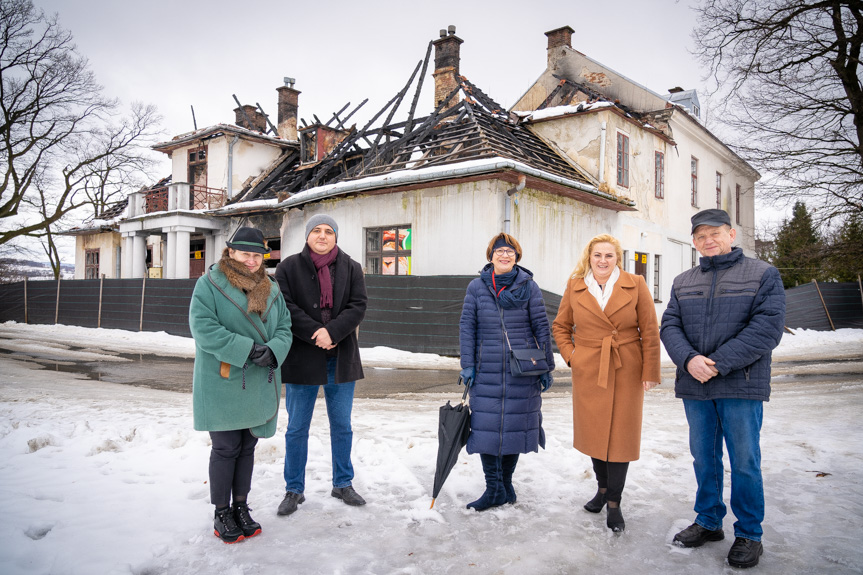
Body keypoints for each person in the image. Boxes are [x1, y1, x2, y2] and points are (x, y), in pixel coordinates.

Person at [661, 209, 785, 568]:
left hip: (740, 384)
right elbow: (670, 325)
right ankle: (709, 521)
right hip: (696, 386)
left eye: (715, 233)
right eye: (700, 236)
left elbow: (766, 329)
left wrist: (715, 363)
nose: (708, 240)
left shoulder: (763, 274)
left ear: (732, 234)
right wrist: (688, 360)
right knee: (704, 457)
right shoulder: (684, 280)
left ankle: (749, 532)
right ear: (695, 242)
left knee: (744, 461)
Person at [189, 227, 293, 543]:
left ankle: (241, 506)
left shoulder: (270, 287)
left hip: (259, 378)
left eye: (257, 255)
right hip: (224, 379)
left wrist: (273, 350)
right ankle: (222, 512)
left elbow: (286, 327)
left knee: (248, 447)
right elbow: (203, 328)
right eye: (245, 254)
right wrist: (246, 349)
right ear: (230, 252)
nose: (251, 260)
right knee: (226, 448)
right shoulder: (208, 286)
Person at [551, 234, 661, 532]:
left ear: (617, 259)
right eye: (597, 255)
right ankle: (601, 489)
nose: (602, 260)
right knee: (595, 433)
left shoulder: (635, 284)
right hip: (589, 367)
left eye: (609, 256)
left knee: (620, 437)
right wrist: (572, 356)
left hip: (626, 365)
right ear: (589, 257)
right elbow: (560, 326)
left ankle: (614, 502)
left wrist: (650, 370)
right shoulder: (575, 285)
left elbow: (650, 329)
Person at [274, 214, 368, 516]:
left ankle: (343, 483)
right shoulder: (287, 268)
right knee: (296, 427)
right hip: (303, 357)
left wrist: (334, 332)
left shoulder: (352, 268)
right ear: (307, 236)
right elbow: (285, 307)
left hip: (341, 359)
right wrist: (317, 334)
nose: (323, 235)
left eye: (329, 231)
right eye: (317, 230)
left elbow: (358, 305)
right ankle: (294, 489)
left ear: (336, 237)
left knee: (342, 426)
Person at [458, 232, 555, 511]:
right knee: (487, 430)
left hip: (522, 370)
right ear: (491, 256)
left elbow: (541, 327)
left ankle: (505, 484)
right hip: (486, 368)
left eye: (510, 252)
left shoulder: (530, 288)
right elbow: (467, 326)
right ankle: (494, 489)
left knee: (514, 427)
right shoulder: (476, 287)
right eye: (499, 251)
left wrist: (546, 366)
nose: (504, 255)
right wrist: (468, 364)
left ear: (517, 257)